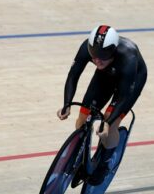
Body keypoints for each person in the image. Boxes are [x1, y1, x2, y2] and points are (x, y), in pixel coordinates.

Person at [57, 25, 147, 184]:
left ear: (112, 52)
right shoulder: (89, 48)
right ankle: (79, 158)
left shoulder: (128, 56)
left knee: (109, 123)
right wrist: (67, 103)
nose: (96, 60)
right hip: (106, 74)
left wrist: (108, 122)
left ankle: (105, 164)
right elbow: (73, 75)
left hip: (131, 81)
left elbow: (124, 95)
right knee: (83, 118)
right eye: (94, 56)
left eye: (102, 57)